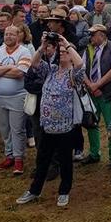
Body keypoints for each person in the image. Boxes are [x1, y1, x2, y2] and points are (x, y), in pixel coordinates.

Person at [16, 33, 84, 207]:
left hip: (65, 128)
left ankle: (64, 191)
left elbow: (80, 64)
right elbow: (35, 63)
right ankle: (34, 190)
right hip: (47, 126)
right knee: (42, 160)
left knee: (65, 162)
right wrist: (43, 45)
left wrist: (66, 43)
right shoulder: (51, 71)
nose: (61, 54)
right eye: (59, 52)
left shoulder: (73, 75)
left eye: (65, 53)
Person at [0, 25, 32, 175]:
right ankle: (9, 155)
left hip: (17, 96)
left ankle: (19, 159)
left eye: (12, 34)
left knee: (17, 128)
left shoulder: (24, 51)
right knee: (4, 129)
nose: (8, 37)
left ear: (18, 35)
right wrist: (9, 67)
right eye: (6, 34)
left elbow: (20, 72)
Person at [80, 24, 111, 166]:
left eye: (93, 34)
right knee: (91, 123)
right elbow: (81, 69)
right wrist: (91, 86)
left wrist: (97, 85)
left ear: (102, 35)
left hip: (108, 93)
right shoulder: (88, 49)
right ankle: (94, 153)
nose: (90, 37)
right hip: (92, 93)